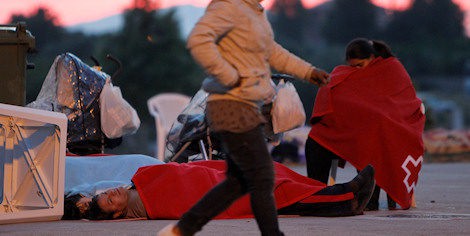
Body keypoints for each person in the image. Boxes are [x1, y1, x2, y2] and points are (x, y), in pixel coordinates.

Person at [157, 0, 330, 235]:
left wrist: (308, 72)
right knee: (262, 176)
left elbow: (272, 53)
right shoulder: (228, 6)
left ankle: (182, 230)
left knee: (237, 182)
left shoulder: (253, 11)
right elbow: (198, 39)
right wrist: (228, 76)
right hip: (231, 106)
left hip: (248, 106)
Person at [305, 38, 425, 211]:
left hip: (388, 127)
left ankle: (370, 198)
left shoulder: (391, 68)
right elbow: (333, 89)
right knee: (316, 138)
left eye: (360, 65)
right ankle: (317, 194)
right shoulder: (348, 73)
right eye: (352, 66)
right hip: (352, 128)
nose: (356, 70)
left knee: (373, 136)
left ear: (372, 57)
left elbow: (403, 98)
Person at [62, 161, 375, 221]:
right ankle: (347, 197)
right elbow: (181, 194)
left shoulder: (132, 184)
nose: (113, 190)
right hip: (208, 189)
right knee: (277, 193)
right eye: (110, 197)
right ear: (116, 213)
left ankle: (347, 197)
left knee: (274, 176)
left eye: (107, 192)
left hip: (209, 174)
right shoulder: (144, 205)